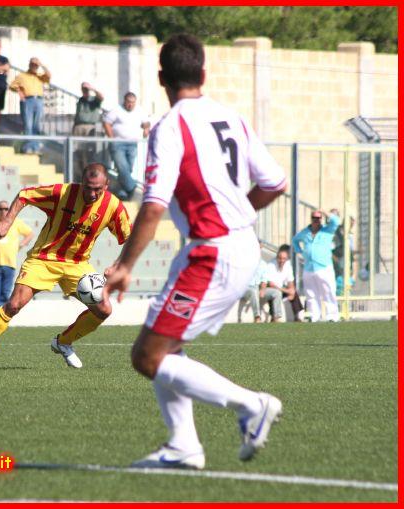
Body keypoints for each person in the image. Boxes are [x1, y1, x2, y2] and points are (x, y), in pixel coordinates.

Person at [103, 34, 287, 469]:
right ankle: (183, 445)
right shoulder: (231, 117)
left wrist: (125, 265)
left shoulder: (170, 127)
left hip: (213, 253)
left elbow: (153, 205)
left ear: (161, 78)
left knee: (147, 356)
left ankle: (252, 405)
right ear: (203, 73)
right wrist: (238, 213)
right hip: (237, 246)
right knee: (164, 345)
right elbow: (275, 183)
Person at [0, 163, 132, 371]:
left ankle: (63, 342)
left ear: (106, 185)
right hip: (43, 259)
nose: (92, 194)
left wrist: (118, 265)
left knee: (104, 309)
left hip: (77, 264)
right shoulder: (63, 193)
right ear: (81, 183)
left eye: (97, 189)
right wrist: (8, 221)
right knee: (14, 304)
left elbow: (130, 237)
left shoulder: (113, 206)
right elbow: (25, 195)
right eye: (88, 188)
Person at [292, 209, 340, 322]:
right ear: (311, 219)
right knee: (311, 293)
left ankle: (332, 316)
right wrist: (299, 252)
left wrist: (324, 212)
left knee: (328, 292)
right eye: (314, 218)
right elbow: (295, 240)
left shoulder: (327, 230)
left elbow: (336, 221)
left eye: (318, 218)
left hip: (324, 267)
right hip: (309, 268)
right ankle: (314, 315)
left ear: (321, 219)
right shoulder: (305, 232)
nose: (316, 220)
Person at [103, 92, 150, 200]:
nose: (130, 105)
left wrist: (146, 128)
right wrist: (112, 138)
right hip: (118, 144)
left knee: (128, 169)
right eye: (129, 102)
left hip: (132, 144)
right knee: (122, 167)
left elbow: (146, 123)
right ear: (124, 101)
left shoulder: (139, 111)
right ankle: (132, 188)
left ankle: (122, 192)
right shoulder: (117, 110)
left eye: (133, 102)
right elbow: (106, 122)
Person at [9, 57, 51, 154]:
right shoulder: (22, 76)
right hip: (28, 100)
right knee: (28, 125)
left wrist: (41, 64)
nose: (34, 66)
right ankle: (28, 147)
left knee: (36, 125)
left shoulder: (40, 76)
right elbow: (12, 86)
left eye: (36, 65)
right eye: (33, 64)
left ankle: (35, 147)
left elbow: (49, 75)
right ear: (29, 64)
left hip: (38, 100)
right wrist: (20, 92)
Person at [261, 244, 303, 322]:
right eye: (280, 258)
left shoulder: (288, 265)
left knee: (294, 293)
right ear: (277, 257)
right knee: (275, 293)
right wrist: (286, 291)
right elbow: (270, 284)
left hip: (280, 288)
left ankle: (297, 316)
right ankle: (274, 317)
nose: (282, 261)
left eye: (284, 258)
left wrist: (292, 291)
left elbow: (290, 282)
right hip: (272, 289)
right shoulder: (271, 265)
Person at [238, 250, 267, 323]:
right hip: (243, 287)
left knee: (255, 291)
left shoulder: (263, 264)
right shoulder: (243, 262)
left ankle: (275, 316)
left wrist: (263, 289)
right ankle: (257, 316)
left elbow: (264, 280)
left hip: (256, 288)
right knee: (253, 291)